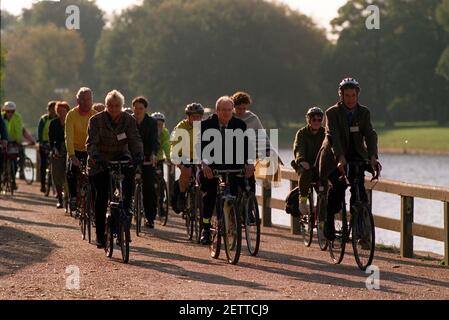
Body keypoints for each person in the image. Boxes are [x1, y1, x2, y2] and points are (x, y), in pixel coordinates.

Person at [318, 78, 381, 242]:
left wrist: (373, 156)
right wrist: (340, 158)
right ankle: (329, 219)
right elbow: (334, 137)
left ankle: (360, 227)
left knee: (358, 189)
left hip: (356, 155)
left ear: (357, 95)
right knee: (338, 189)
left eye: (353, 95)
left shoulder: (364, 112)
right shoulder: (332, 113)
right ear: (341, 95)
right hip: (333, 156)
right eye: (347, 95)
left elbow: (370, 134)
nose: (350, 99)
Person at [87, 89, 143, 248]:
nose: (113, 108)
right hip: (100, 161)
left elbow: (135, 140)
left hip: (121, 157)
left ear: (122, 106)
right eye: (110, 105)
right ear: (105, 106)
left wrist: (138, 155)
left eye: (117, 105)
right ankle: (100, 235)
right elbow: (91, 143)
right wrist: (97, 158)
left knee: (126, 185)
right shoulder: (96, 120)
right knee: (102, 195)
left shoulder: (128, 120)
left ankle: (124, 216)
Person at [199, 96, 255, 245]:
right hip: (211, 164)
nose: (226, 113)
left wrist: (249, 163)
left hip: (232, 164)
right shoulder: (205, 125)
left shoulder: (240, 125)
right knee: (209, 195)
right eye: (223, 110)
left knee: (243, 184)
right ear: (217, 111)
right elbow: (200, 147)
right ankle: (205, 228)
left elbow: (246, 146)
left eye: (229, 110)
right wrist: (204, 164)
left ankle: (244, 212)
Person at [65, 87, 96, 211]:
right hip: (76, 149)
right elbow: (69, 136)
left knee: (96, 174)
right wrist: (72, 156)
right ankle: (73, 197)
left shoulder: (95, 115)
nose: (86, 102)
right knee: (71, 171)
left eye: (88, 99)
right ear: (78, 101)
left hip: (90, 150)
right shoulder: (71, 115)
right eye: (83, 99)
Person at [170, 102, 204, 210]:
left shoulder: (204, 127)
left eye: (198, 117)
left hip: (199, 156)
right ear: (188, 117)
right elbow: (174, 144)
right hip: (184, 155)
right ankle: (181, 195)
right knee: (187, 171)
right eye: (193, 117)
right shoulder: (181, 126)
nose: (196, 120)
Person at [292, 107, 325, 216]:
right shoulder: (301, 133)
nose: (316, 122)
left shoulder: (325, 133)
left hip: (321, 166)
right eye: (314, 119)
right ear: (309, 120)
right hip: (305, 164)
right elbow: (298, 148)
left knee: (327, 184)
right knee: (307, 173)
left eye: (319, 119)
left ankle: (323, 215)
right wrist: (301, 159)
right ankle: (302, 201)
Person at [132, 96, 159, 228]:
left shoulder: (152, 123)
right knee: (126, 184)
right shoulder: (128, 121)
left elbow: (155, 141)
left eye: (140, 108)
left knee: (149, 187)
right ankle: (127, 211)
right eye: (135, 108)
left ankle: (150, 218)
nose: (137, 111)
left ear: (145, 109)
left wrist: (154, 154)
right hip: (131, 156)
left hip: (148, 157)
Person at [49, 101, 70, 209]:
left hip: (69, 150)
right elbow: (51, 140)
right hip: (57, 150)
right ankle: (60, 199)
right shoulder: (53, 123)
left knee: (68, 174)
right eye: (59, 111)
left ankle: (68, 197)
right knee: (56, 175)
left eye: (63, 111)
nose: (61, 113)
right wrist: (54, 150)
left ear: (67, 111)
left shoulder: (70, 122)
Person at [1, 101, 23, 189]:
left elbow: (19, 130)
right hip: (3, 142)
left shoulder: (18, 117)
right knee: (2, 160)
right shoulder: (1, 117)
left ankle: (14, 179)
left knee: (15, 160)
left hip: (14, 142)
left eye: (12, 111)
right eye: (8, 111)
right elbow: (2, 129)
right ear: (4, 111)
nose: (10, 113)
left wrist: (19, 141)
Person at [37, 101, 58, 193]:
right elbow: (40, 132)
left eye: (55, 109)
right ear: (48, 109)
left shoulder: (59, 119)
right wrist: (41, 142)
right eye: (51, 109)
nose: (53, 111)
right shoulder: (44, 119)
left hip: (54, 143)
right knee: (43, 164)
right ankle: (42, 185)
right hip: (44, 143)